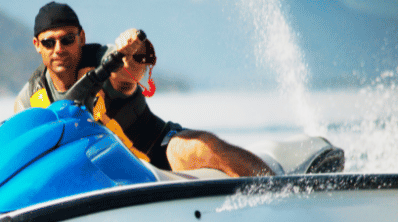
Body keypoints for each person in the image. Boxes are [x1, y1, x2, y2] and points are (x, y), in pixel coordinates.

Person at [14, 2, 274, 177]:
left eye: (67, 39)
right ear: (37, 45)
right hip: (101, 174)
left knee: (201, 147)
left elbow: (130, 72)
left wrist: (133, 48)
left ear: (81, 38)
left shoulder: (103, 61)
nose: (58, 49)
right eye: (49, 42)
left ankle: (278, 188)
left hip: (155, 153)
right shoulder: (29, 99)